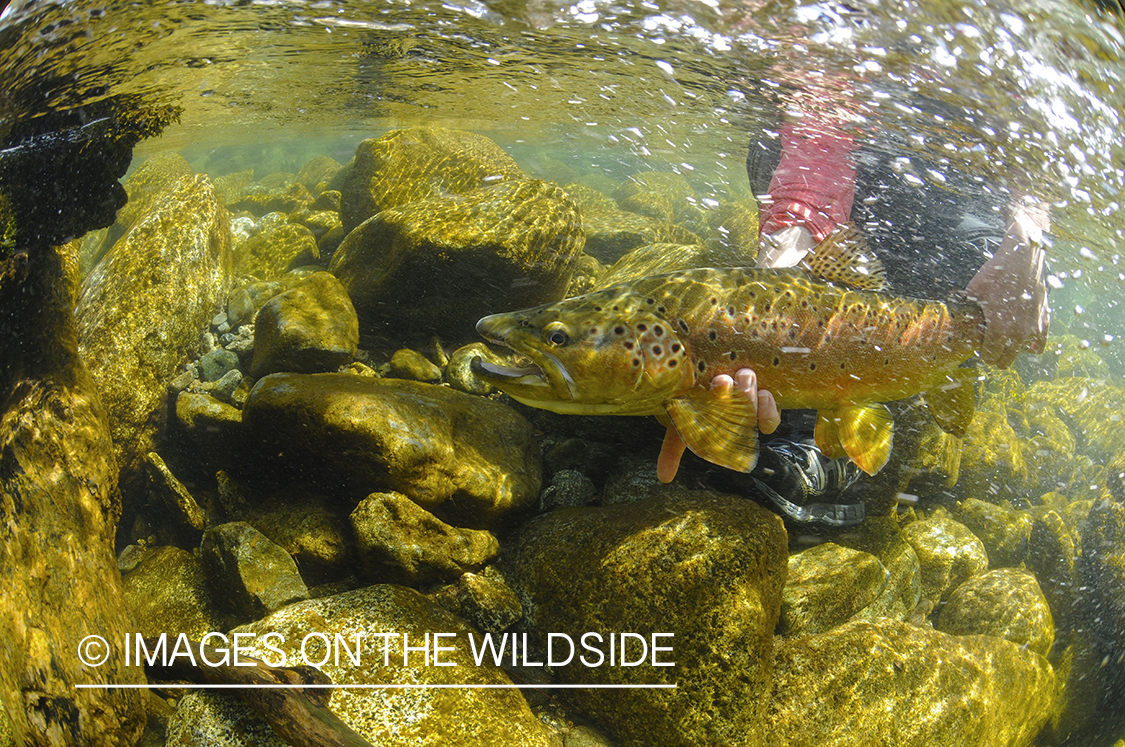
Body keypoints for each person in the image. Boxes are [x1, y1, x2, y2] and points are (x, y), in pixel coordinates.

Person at [656, 113, 1050, 526]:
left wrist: (1028, 233)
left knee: (981, 265)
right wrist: (791, 249)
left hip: (945, 186)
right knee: (774, 149)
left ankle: (938, 363)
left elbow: (1036, 133)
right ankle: (815, 417)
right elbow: (819, 125)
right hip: (818, 152)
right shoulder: (829, 75)